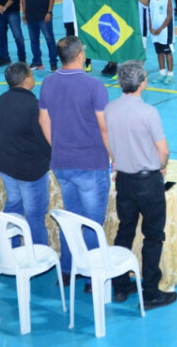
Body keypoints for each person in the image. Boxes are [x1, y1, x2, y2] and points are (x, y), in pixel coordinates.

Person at [105, 60, 177, 311]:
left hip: (124, 180)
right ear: (141, 83)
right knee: (153, 235)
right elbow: (163, 150)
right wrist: (161, 166)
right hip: (148, 181)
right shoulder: (148, 113)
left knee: (125, 230)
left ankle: (121, 284)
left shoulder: (110, 109)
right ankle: (150, 292)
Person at [38, 36, 111, 283]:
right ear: (80, 55)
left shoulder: (47, 82)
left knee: (71, 218)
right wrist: (116, 157)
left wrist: (57, 146)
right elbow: (104, 127)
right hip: (91, 163)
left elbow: (43, 121)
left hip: (61, 163)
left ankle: (68, 270)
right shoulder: (94, 86)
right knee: (91, 224)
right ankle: (92, 277)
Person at [0, 62, 51, 245]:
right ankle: (39, 254)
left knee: (14, 204)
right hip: (31, 170)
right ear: (26, 80)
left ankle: (8, 246)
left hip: (6, 164)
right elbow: (45, 139)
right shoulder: (34, 107)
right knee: (35, 214)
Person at [22, 0, 57, 72]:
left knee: (49, 40)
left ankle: (53, 63)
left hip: (44, 16)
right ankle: (37, 61)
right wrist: (24, 13)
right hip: (31, 16)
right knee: (33, 41)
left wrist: (49, 12)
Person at [146, 0, 175, 83]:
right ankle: (162, 73)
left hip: (165, 31)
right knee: (159, 53)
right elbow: (150, 14)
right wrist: (151, 27)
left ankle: (170, 74)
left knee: (168, 52)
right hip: (154, 31)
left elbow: (169, 16)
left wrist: (160, 29)